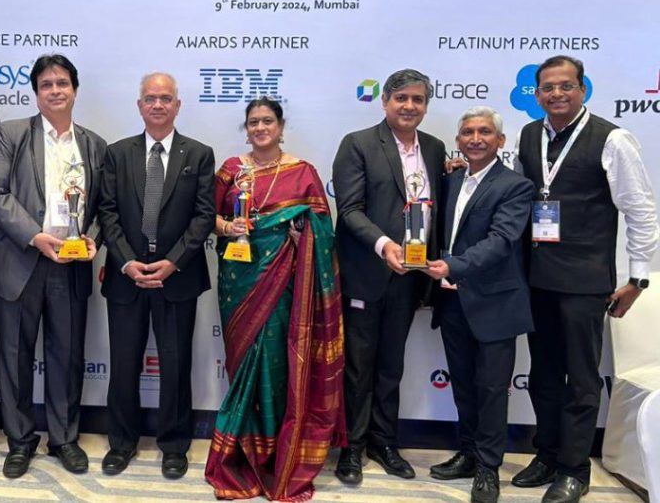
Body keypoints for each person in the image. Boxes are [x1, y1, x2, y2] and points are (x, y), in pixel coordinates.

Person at [513, 55, 658, 503]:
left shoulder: (612, 139)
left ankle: (574, 470)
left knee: (580, 378)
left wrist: (638, 278)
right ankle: (547, 453)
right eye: (548, 87)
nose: (556, 94)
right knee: (542, 374)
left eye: (566, 86)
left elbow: (641, 211)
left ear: (582, 89)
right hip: (537, 278)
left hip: (585, 281)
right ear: (537, 94)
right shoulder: (528, 134)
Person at [204, 97, 345, 501]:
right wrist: (228, 227)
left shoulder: (303, 172)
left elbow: (324, 231)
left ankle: (277, 454)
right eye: (253, 122)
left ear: (281, 127)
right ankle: (240, 451)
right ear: (246, 128)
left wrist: (303, 237)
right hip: (239, 282)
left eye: (267, 121)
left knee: (278, 364)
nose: (260, 128)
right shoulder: (231, 170)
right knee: (244, 362)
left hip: (284, 285)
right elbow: (205, 217)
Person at [0, 53, 106, 479]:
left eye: (62, 83)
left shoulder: (93, 144)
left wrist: (93, 237)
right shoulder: (11, 133)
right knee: (14, 357)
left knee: (67, 356)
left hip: (70, 265)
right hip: (20, 261)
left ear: (75, 90)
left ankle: (64, 439)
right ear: (35, 93)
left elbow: (102, 206)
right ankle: (20, 441)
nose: (55, 90)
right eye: (47, 84)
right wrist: (35, 236)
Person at [330, 68, 447, 485]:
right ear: (385, 102)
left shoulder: (434, 148)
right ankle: (352, 446)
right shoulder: (358, 143)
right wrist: (384, 246)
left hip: (412, 276)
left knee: (391, 365)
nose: (409, 106)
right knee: (359, 367)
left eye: (418, 99)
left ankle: (383, 442)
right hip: (368, 273)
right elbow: (349, 210)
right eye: (401, 98)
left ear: (426, 105)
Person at [97, 73, 216, 479]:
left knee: (175, 365)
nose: (158, 105)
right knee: (123, 364)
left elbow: (203, 216)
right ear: (140, 105)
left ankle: (174, 445)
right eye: (150, 98)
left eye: (166, 98)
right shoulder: (117, 153)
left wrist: (174, 261)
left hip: (177, 277)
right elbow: (107, 213)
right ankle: (121, 443)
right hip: (126, 277)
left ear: (178, 105)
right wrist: (127, 262)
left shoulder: (199, 154)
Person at [424, 107, 535, 503]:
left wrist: (453, 265)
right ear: (458, 141)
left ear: (500, 141)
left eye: (485, 132)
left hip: (495, 304)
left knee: (490, 390)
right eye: (468, 132)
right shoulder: (451, 180)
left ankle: (489, 468)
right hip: (452, 301)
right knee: (464, 386)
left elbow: (502, 240)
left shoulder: (516, 186)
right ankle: (469, 454)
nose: (475, 139)